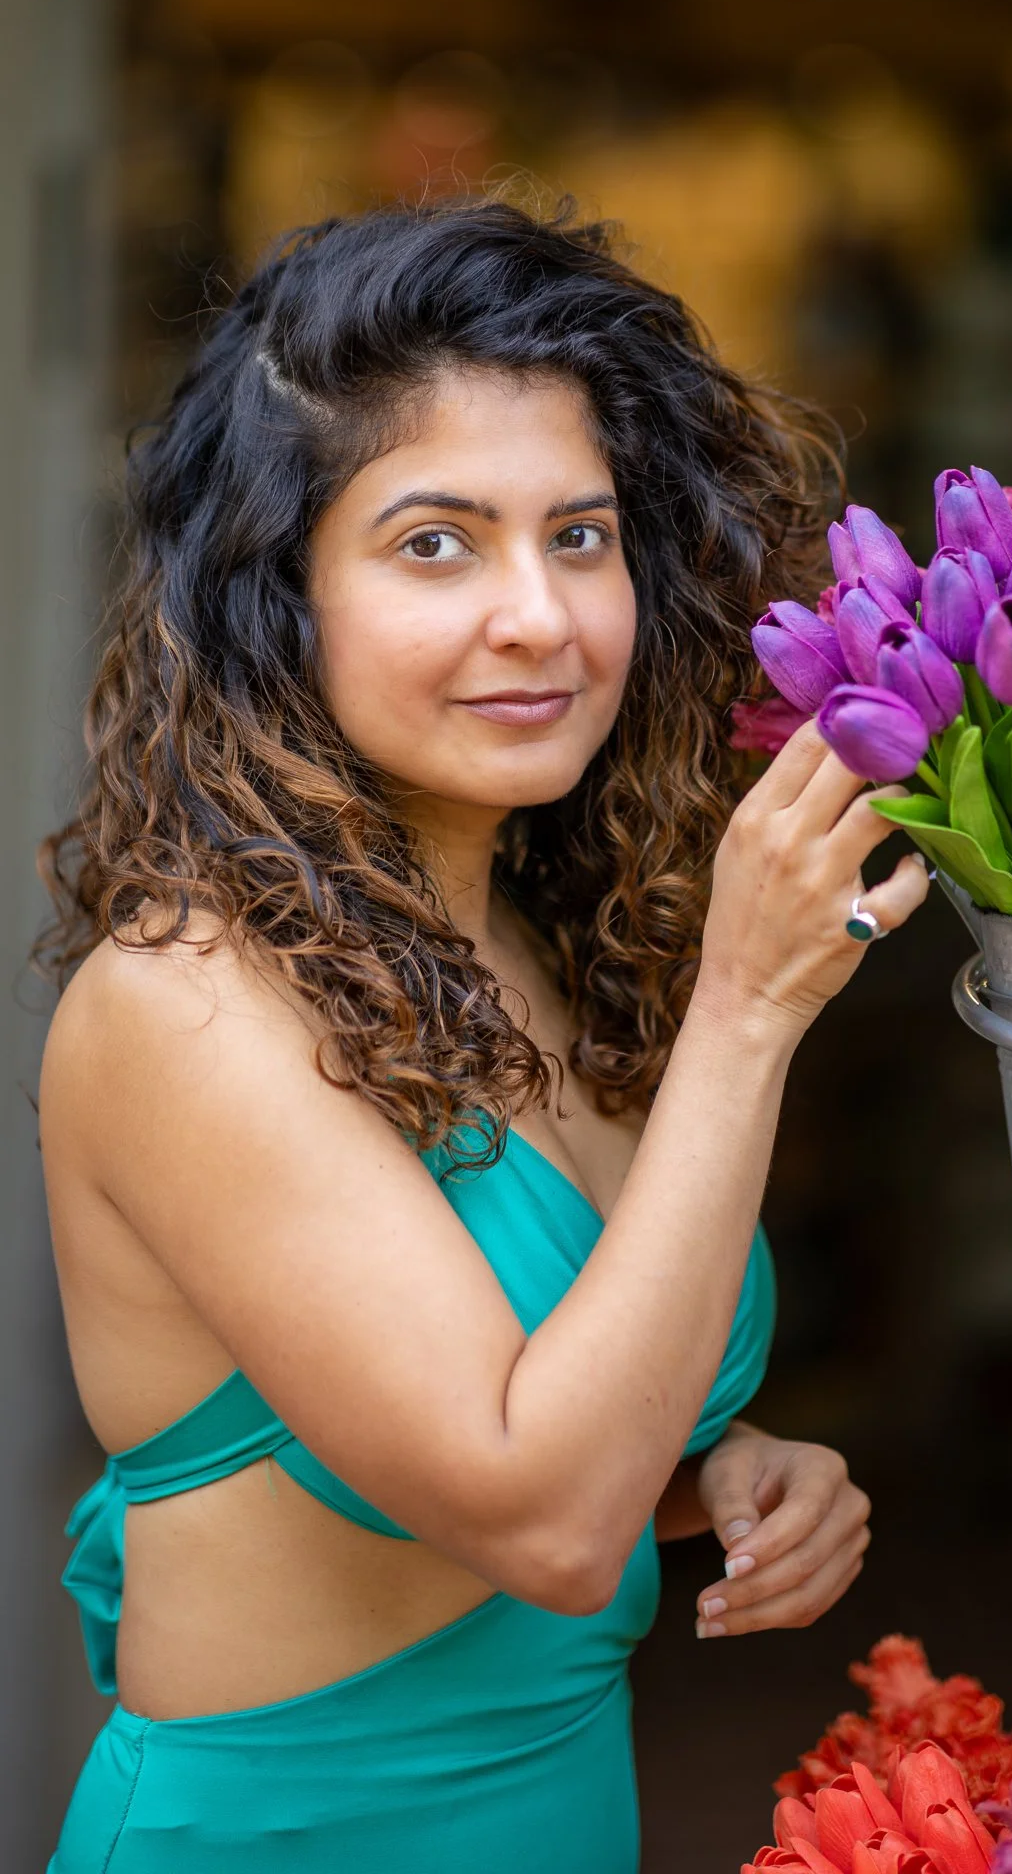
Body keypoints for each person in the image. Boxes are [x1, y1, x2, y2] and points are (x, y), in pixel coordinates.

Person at [33, 198, 930, 1872]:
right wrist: (747, 1011)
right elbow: (544, 1522)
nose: (541, 616)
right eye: (435, 543)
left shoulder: (540, 934)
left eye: (578, 537)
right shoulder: (183, 1002)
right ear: (274, 592)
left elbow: (475, 1431)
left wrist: (718, 1463)